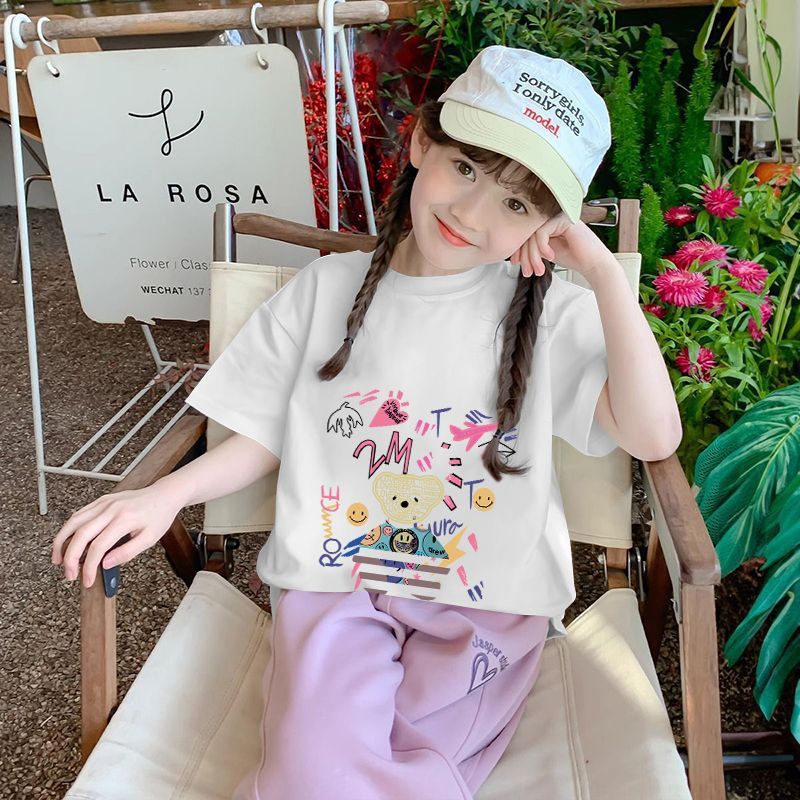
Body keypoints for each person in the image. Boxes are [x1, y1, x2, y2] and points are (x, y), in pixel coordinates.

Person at [51, 45, 681, 800]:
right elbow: (261, 430)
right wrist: (165, 495)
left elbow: (654, 436)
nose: (471, 213)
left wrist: (603, 272)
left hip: (488, 606)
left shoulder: (554, 313)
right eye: (465, 168)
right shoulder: (325, 290)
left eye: (518, 205)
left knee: (417, 774)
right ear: (420, 142)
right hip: (335, 589)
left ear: (550, 225)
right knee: (312, 773)